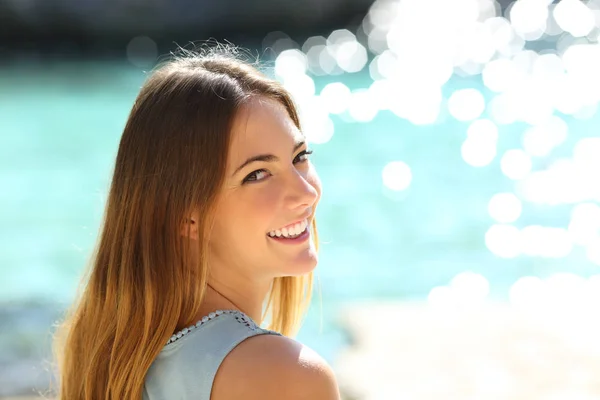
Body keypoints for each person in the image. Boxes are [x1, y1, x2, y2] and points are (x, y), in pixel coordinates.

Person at [53, 45, 340, 400]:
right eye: (258, 174)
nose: (305, 193)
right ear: (185, 216)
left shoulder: (110, 361)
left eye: (300, 157)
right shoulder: (284, 375)